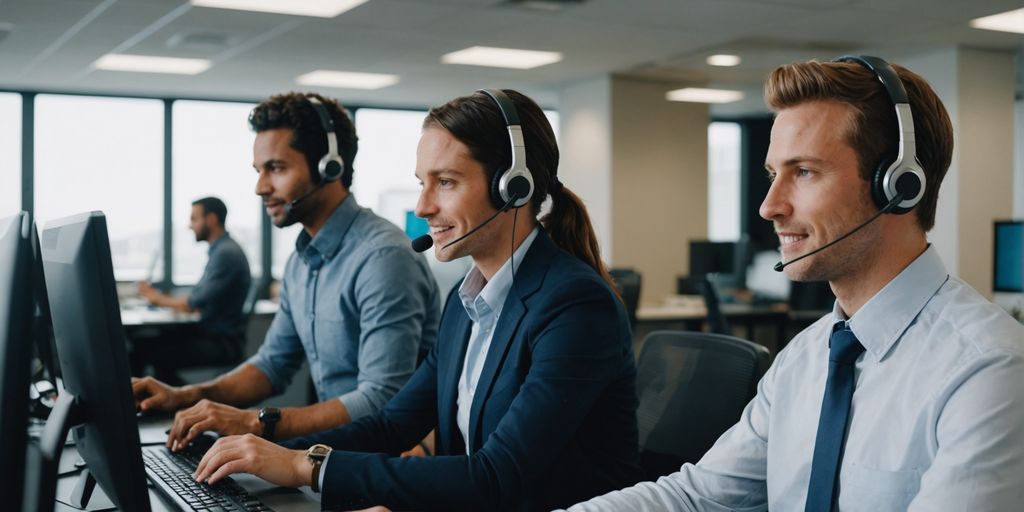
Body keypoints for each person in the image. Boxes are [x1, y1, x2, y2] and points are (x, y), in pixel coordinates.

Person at [567, 56, 1024, 511]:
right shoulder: (804, 359)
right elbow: (697, 495)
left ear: (899, 187)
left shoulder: (989, 370)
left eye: (803, 171)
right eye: (773, 174)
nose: (769, 206)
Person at [190, 89, 643, 511]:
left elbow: (499, 474)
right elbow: (392, 425)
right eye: (421, 183)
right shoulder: (467, 303)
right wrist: (273, 452)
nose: (422, 206)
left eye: (444, 182)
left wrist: (305, 468)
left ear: (514, 187)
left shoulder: (576, 305)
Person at [132, 92, 441, 447]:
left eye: (276, 168)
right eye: (259, 171)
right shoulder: (301, 263)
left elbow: (380, 399)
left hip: (386, 461)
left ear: (330, 167)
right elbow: (272, 365)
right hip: (338, 449)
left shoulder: (383, 258)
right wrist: (181, 396)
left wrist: (252, 423)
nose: (260, 187)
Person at [132, 196, 251, 385]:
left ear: (211, 219)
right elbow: (199, 299)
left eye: (194, 219)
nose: (190, 226)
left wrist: (156, 298)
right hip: (213, 334)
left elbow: (195, 302)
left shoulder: (225, 254)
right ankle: (180, 400)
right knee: (146, 342)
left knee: (143, 349)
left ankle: (183, 401)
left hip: (221, 342)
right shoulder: (221, 251)